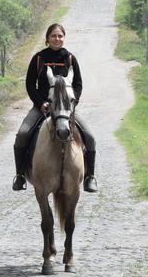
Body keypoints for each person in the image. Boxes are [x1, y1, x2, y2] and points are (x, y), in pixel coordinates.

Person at [12, 23, 99, 193]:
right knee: (22, 134)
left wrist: (72, 104)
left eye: (60, 36)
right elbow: (30, 85)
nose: (57, 39)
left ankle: (90, 176)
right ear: (47, 39)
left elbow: (78, 84)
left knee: (90, 136)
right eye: (53, 36)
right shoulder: (38, 59)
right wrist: (40, 103)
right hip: (43, 107)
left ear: (64, 38)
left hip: (66, 110)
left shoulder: (71, 59)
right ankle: (20, 175)